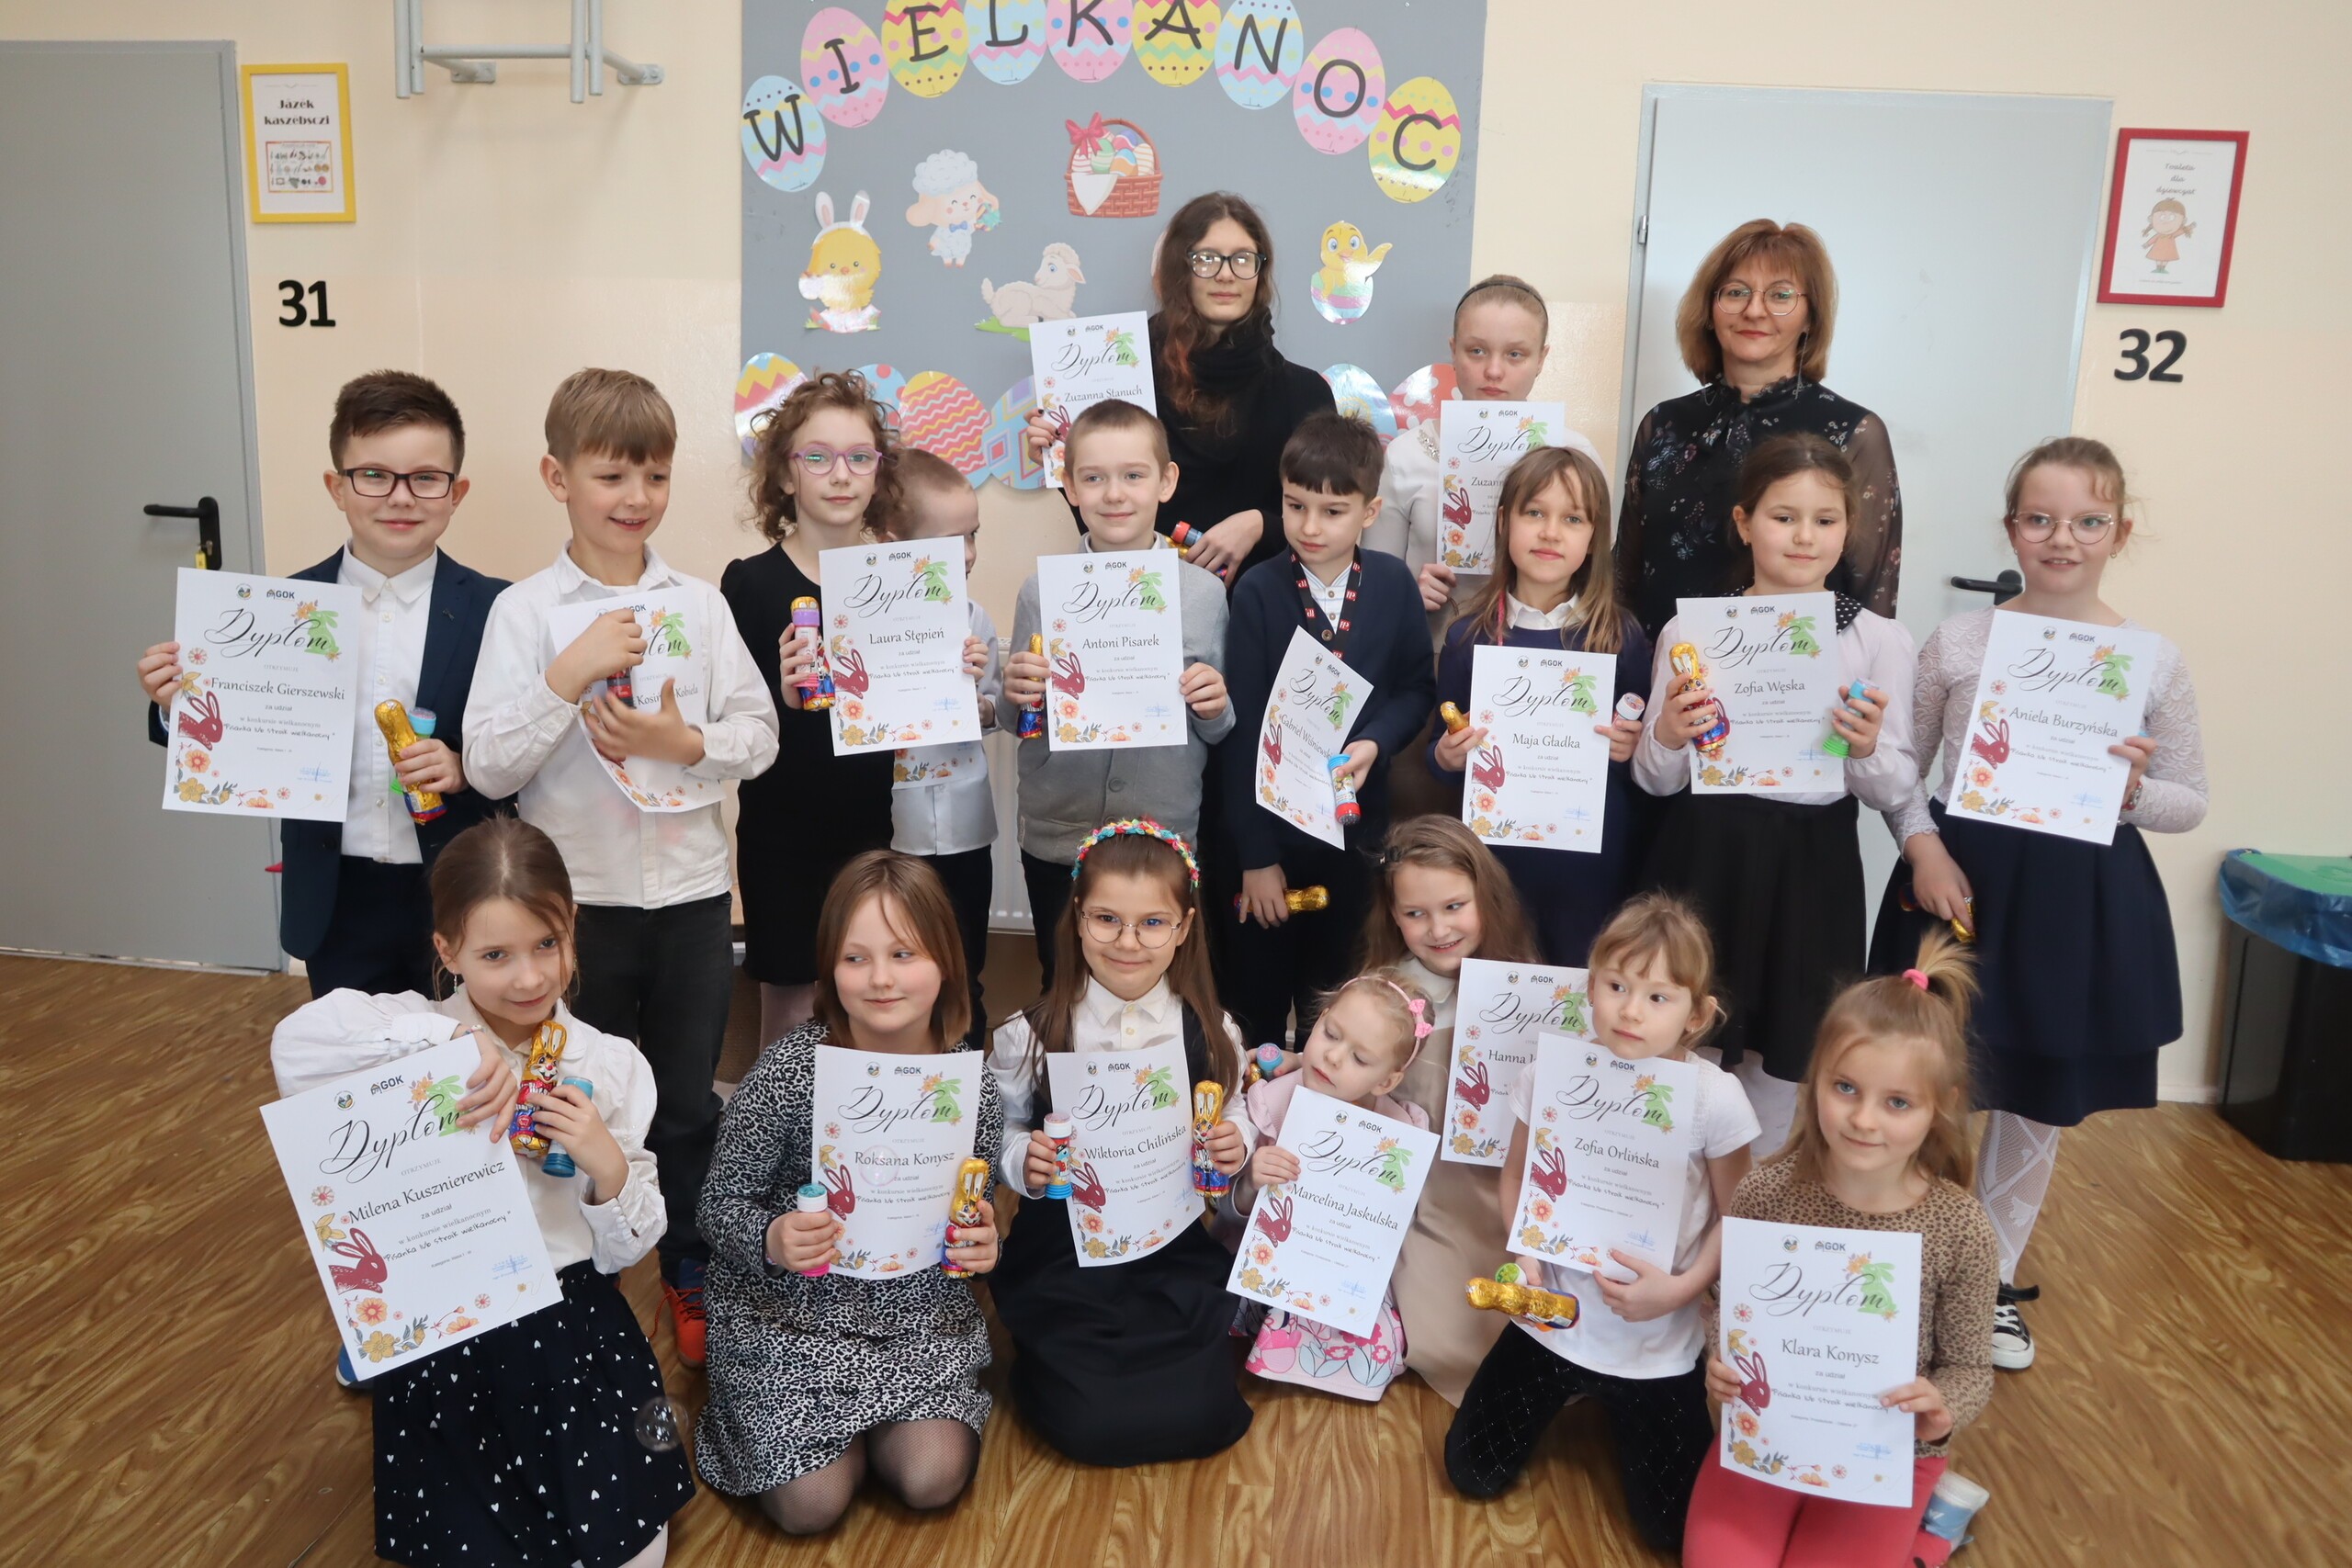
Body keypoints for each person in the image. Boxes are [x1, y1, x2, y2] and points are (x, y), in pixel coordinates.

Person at [269, 818, 695, 1568]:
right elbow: (293, 1045)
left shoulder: (611, 1063)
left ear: (573, 929)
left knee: (628, 1553)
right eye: (495, 955)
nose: (528, 979)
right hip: (452, 1328)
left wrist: (606, 1164)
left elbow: (626, 1250)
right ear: (447, 951)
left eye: (546, 944)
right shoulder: (418, 1032)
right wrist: (441, 1043)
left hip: (568, 1328)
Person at [464, 368, 780, 1365]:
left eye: (655, 475)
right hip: (574, 915)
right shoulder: (524, 614)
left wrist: (688, 745)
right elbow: (488, 766)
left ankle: (689, 1266)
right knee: (572, 1098)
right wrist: (566, 677)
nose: (636, 497)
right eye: (611, 476)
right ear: (557, 478)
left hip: (690, 899)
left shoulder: (701, 605)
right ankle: (576, 1279)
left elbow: (760, 734)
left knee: (685, 1101)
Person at [1871, 435, 2205, 1371]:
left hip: (2078, 904)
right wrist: (1923, 845)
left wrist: (2134, 792)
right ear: (2012, 528)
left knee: (2033, 1101)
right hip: (1961, 887)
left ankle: (1991, 1282)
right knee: (1922, 1084)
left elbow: (2188, 800)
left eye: (2089, 522)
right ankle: (1896, 1271)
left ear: (2119, 532)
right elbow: (1901, 769)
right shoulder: (1958, 642)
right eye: (2042, 519)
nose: (2064, 539)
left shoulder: (2151, 660)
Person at [137, 371, 509, 998]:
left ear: (456, 491)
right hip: (336, 893)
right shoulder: (273, 611)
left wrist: (465, 765)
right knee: (347, 1046)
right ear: (337, 487)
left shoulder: (501, 609)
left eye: (425, 477)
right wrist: (177, 704)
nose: (400, 497)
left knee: (466, 1051)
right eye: (374, 475)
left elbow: (529, 742)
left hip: (463, 886)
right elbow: (225, 743)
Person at [695, 852, 1003, 1535]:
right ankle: (791, 1427)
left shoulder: (968, 1085)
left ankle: (865, 1431)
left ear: (946, 961)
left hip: (916, 1316)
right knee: (810, 1504)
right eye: (856, 958)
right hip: (787, 1315)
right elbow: (717, 1206)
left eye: (903, 953)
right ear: (830, 968)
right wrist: (773, 1238)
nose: (881, 978)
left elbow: (970, 1212)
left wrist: (982, 1245)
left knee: (932, 1476)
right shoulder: (791, 1069)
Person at [1633, 434, 1917, 1153]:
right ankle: (1668, 1198)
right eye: (1783, 516)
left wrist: (1863, 747)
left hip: (1812, 866)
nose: (1803, 536)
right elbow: (1654, 777)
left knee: (1783, 1053)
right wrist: (1667, 731)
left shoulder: (1879, 640)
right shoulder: (1691, 630)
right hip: (1705, 855)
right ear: (1743, 522)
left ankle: (1745, 1206)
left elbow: (1894, 786)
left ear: (1849, 528)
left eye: (1825, 519)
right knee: (1681, 1034)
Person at [1446, 894, 1752, 1555]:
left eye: (1658, 996)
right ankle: (1578, 1395)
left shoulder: (1715, 1098)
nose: (1631, 1010)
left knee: (1672, 1533)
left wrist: (1682, 1289)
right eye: (1616, 986)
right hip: (1553, 1320)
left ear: (1697, 1014)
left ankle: (1617, 1410)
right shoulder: (1550, 1071)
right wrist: (1526, 1253)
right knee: (1471, 1470)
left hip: (1657, 1345)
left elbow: (1739, 1216)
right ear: (1591, 988)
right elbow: (1516, 1175)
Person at [1683, 935, 1999, 1567]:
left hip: (1884, 1456)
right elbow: (1726, 1307)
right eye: (1846, 1087)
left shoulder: (1961, 1228)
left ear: (1941, 1106)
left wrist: (1941, 1409)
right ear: (1816, 1079)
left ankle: (1933, 1533)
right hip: (1770, 1437)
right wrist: (1721, 1358)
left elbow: (1970, 1367)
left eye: (1898, 1102)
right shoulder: (1766, 1192)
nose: (1864, 1119)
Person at [985, 820, 1254, 1462]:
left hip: (1171, 1251)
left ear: (1183, 928)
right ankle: (1052, 1368)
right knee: (1093, 1427)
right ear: (1078, 917)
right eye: (1107, 919)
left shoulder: (1212, 1030)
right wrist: (1024, 1162)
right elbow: (999, 1129)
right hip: (1064, 1258)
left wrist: (1236, 1139)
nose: (1128, 942)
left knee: (1205, 1414)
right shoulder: (1029, 1034)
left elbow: (1235, 1102)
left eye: (1152, 923)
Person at [1221, 412, 1436, 1047]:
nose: (1310, 527)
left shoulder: (1393, 586)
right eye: (1295, 506)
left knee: (1336, 1004)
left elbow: (1415, 690)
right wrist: (1256, 857)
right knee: (1257, 1005)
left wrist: (1376, 742)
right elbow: (1241, 733)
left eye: (1333, 511)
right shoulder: (1257, 591)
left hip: (1355, 840)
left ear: (1370, 512)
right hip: (1271, 841)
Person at [1003, 400, 1233, 984]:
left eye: (1133, 475)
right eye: (1094, 477)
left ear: (1166, 482)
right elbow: (1018, 718)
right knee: (1063, 979)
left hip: (1161, 833)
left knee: (1160, 985)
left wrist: (1215, 704)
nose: (1114, 494)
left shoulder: (1204, 594)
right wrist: (1017, 693)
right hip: (1059, 830)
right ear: (1069, 485)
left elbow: (1219, 726)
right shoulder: (1040, 591)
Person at [1025, 191, 1335, 582]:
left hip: (1263, 605)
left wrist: (1261, 524)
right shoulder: (1115, 374)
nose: (1226, 274)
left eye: (1242, 258)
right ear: (1178, 269)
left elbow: (1331, 515)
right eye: (1206, 259)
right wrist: (1060, 457)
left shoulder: (1305, 394)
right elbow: (1099, 511)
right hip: (1138, 600)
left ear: (1260, 272)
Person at [725, 371, 903, 1049]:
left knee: (866, 1002)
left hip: (871, 831)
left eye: (859, 456)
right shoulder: (750, 583)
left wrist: (958, 673)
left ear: (878, 473)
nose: (841, 474)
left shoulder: (900, 583)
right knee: (791, 1011)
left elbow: (919, 708)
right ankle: (778, 1118)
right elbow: (731, 723)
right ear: (785, 474)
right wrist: (780, 694)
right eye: (818, 457)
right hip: (782, 837)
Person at [1615, 220, 1902, 638]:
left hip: (1792, 673)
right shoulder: (1662, 423)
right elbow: (1624, 577)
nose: (1754, 310)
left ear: (1810, 317)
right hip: (1663, 668)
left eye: (1781, 295)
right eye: (1736, 292)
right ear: (1710, 311)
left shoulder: (1853, 432)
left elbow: (1872, 597)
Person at [1430, 445, 1652, 963]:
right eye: (1535, 513)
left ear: (1594, 537)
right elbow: (1440, 754)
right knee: (1498, 980)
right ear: (1504, 521)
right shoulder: (1467, 637)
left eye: (1572, 519)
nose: (1551, 533)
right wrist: (1446, 756)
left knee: (1580, 982)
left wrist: (1631, 749)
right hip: (1496, 861)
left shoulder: (1619, 637)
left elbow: (1643, 762)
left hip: (1590, 862)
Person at [1359, 816, 1540, 1405]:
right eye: (1416, 914)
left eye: (1454, 907)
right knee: (1445, 1339)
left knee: (1546, 1322)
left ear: (1486, 898)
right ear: (1393, 917)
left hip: (1507, 1192)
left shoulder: (1532, 987)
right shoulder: (1385, 992)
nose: (1438, 929)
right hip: (1427, 1198)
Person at [1220, 968, 1434, 1401]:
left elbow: (1392, 1230)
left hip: (1341, 1275)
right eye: (1330, 1033)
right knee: (1218, 1299)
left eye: (1360, 1059)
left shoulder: (1399, 1133)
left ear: (1387, 1081)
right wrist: (1251, 1181)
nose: (1333, 1057)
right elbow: (1229, 1212)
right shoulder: (1271, 1103)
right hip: (1265, 1259)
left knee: (1373, 1330)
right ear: (1317, 1020)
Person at [1367, 273, 1602, 642]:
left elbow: (1597, 582)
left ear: (1541, 359)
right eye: (1476, 351)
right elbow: (1372, 586)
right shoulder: (1405, 456)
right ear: (1453, 350)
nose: (1493, 371)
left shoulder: (1576, 458)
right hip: (1432, 655)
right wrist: (1407, 593)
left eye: (1515, 354)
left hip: (1544, 660)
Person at [879, 448, 1003, 1049]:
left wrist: (980, 703)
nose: (970, 554)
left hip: (966, 830)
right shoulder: (866, 626)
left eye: (974, 535)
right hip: (895, 831)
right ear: (895, 544)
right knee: (901, 960)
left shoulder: (977, 620)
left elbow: (998, 706)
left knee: (964, 964)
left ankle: (968, 1078)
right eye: (953, 543)